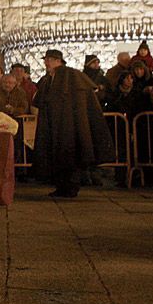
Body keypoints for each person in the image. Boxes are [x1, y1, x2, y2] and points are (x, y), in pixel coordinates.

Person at [32, 49, 114, 198]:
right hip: (55, 124)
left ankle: (70, 186)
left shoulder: (69, 75)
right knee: (59, 156)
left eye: (50, 59)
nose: (46, 62)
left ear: (59, 61)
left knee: (69, 155)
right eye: (46, 60)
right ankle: (62, 187)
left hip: (68, 124)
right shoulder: (49, 78)